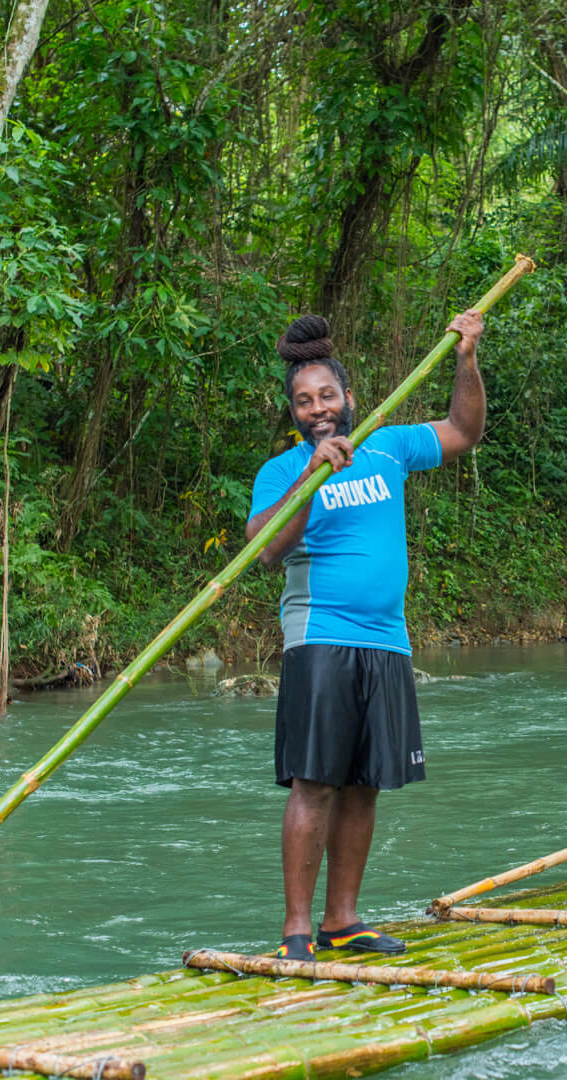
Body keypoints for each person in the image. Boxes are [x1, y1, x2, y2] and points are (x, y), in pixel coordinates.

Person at [245, 309, 486, 961]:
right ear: (293, 413)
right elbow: (264, 549)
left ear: (350, 399)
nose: (318, 409)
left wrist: (466, 358)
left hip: (387, 642)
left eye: (327, 396)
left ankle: (342, 922)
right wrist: (311, 473)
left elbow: (465, 430)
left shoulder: (388, 444)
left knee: (364, 782)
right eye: (304, 402)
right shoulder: (282, 472)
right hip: (319, 638)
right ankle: (297, 933)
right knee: (314, 781)